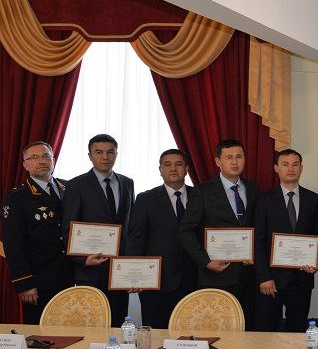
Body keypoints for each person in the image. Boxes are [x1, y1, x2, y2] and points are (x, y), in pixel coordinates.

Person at [179, 138, 260, 328]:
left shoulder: (253, 188)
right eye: (229, 157)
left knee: (249, 331)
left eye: (239, 157)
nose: (235, 162)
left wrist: (254, 253)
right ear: (218, 162)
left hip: (249, 276)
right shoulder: (202, 191)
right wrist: (206, 262)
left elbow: (258, 228)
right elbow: (186, 230)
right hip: (217, 275)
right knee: (219, 332)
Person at [62, 134, 134, 326]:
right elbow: (68, 227)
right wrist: (82, 260)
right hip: (90, 270)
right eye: (99, 152)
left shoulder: (127, 182)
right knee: (92, 326)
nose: (105, 157)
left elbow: (130, 226)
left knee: (118, 325)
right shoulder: (76, 185)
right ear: (90, 156)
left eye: (110, 152)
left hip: (119, 271)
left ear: (116, 154)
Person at [1, 141, 73, 324]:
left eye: (46, 156)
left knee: (72, 331)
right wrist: (25, 283)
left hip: (72, 275)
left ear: (53, 160)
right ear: (25, 165)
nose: (41, 160)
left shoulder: (70, 188)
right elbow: (13, 244)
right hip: (40, 281)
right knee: (41, 334)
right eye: (34, 157)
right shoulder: (16, 197)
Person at [126, 149, 197, 329]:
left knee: (193, 335)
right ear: (160, 170)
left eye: (178, 164)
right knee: (157, 336)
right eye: (167, 164)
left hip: (196, 280)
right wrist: (134, 276)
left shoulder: (200, 195)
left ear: (187, 169)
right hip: (157, 283)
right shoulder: (145, 199)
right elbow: (136, 240)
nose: (173, 168)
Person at [253, 149, 318, 333]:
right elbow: (258, 242)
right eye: (285, 164)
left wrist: (316, 261)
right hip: (271, 281)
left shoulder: (313, 199)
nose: (290, 169)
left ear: (301, 168)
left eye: (295, 164)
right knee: (265, 333)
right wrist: (264, 277)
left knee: (297, 333)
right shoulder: (263, 200)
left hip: (301, 280)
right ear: (276, 168)